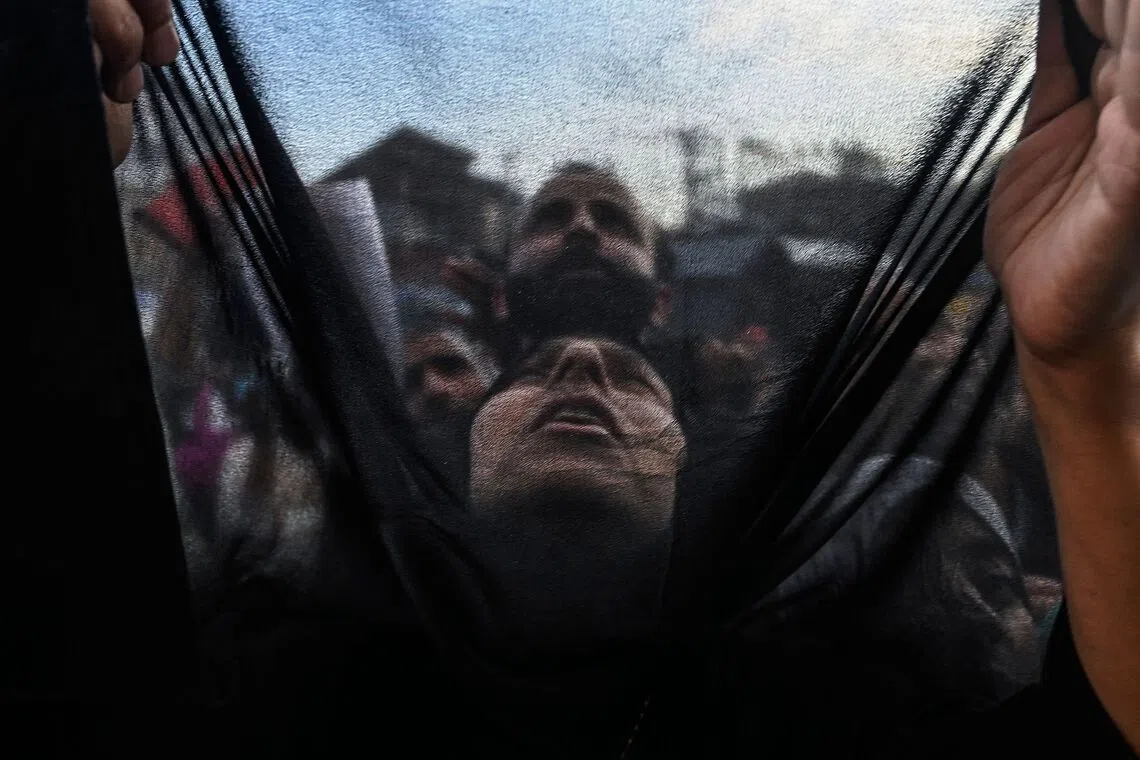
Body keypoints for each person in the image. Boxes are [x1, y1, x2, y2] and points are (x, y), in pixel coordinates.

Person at [89, 0, 1139, 754]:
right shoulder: (291, 668)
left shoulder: (831, 670)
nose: (586, 361)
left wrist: (1080, 368)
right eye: (551, 217)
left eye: (642, 385)